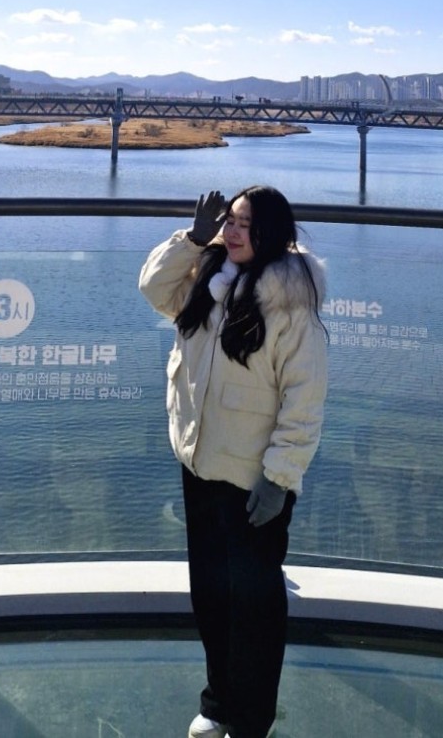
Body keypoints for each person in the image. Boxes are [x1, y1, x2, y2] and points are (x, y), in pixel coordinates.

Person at [139, 186, 328, 738]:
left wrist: (279, 479)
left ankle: (250, 722)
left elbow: (304, 400)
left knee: (255, 608)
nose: (235, 231)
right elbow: (153, 288)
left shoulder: (292, 302)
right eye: (231, 221)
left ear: (275, 234)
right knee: (211, 596)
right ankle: (218, 701)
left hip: (252, 481)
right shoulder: (208, 277)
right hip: (199, 465)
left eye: (248, 224)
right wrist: (192, 240)